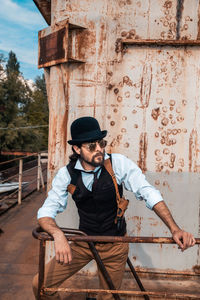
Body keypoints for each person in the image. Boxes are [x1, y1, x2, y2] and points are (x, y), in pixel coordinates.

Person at [32, 116, 196, 300]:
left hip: (115, 245)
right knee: (40, 285)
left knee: (108, 298)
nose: (100, 150)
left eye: (101, 143)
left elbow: (148, 192)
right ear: (77, 149)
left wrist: (174, 229)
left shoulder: (118, 163)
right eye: (91, 146)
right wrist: (58, 234)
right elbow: (45, 213)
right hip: (84, 242)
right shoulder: (66, 174)